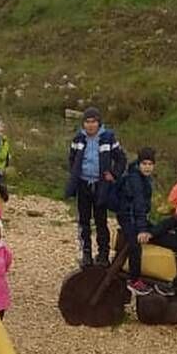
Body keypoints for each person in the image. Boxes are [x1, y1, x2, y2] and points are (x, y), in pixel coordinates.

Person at [64, 107, 124, 268]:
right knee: (84, 221)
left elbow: (121, 159)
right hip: (83, 184)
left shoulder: (108, 138)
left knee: (101, 221)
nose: (90, 125)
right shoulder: (78, 139)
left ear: (99, 123)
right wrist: (75, 173)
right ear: (83, 123)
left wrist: (114, 174)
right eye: (87, 122)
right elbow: (72, 158)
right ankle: (86, 253)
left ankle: (103, 254)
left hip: (101, 185)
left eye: (93, 122)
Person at [117, 148, 157, 295]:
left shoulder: (142, 177)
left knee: (157, 232)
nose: (147, 167)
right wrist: (141, 229)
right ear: (139, 164)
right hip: (129, 216)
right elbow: (138, 205)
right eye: (144, 163)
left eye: (150, 164)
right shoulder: (135, 179)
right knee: (135, 246)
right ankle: (134, 280)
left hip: (135, 216)